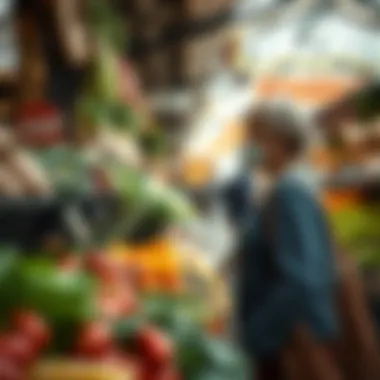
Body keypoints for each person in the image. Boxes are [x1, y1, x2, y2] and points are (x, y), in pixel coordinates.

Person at [236, 102, 341, 380]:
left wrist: (254, 336)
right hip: (286, 341)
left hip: (289, 347)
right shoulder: (290, 188)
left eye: (253, 137)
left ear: (278, 141)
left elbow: (302, 281)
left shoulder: (290, 193)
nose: (247, 147)